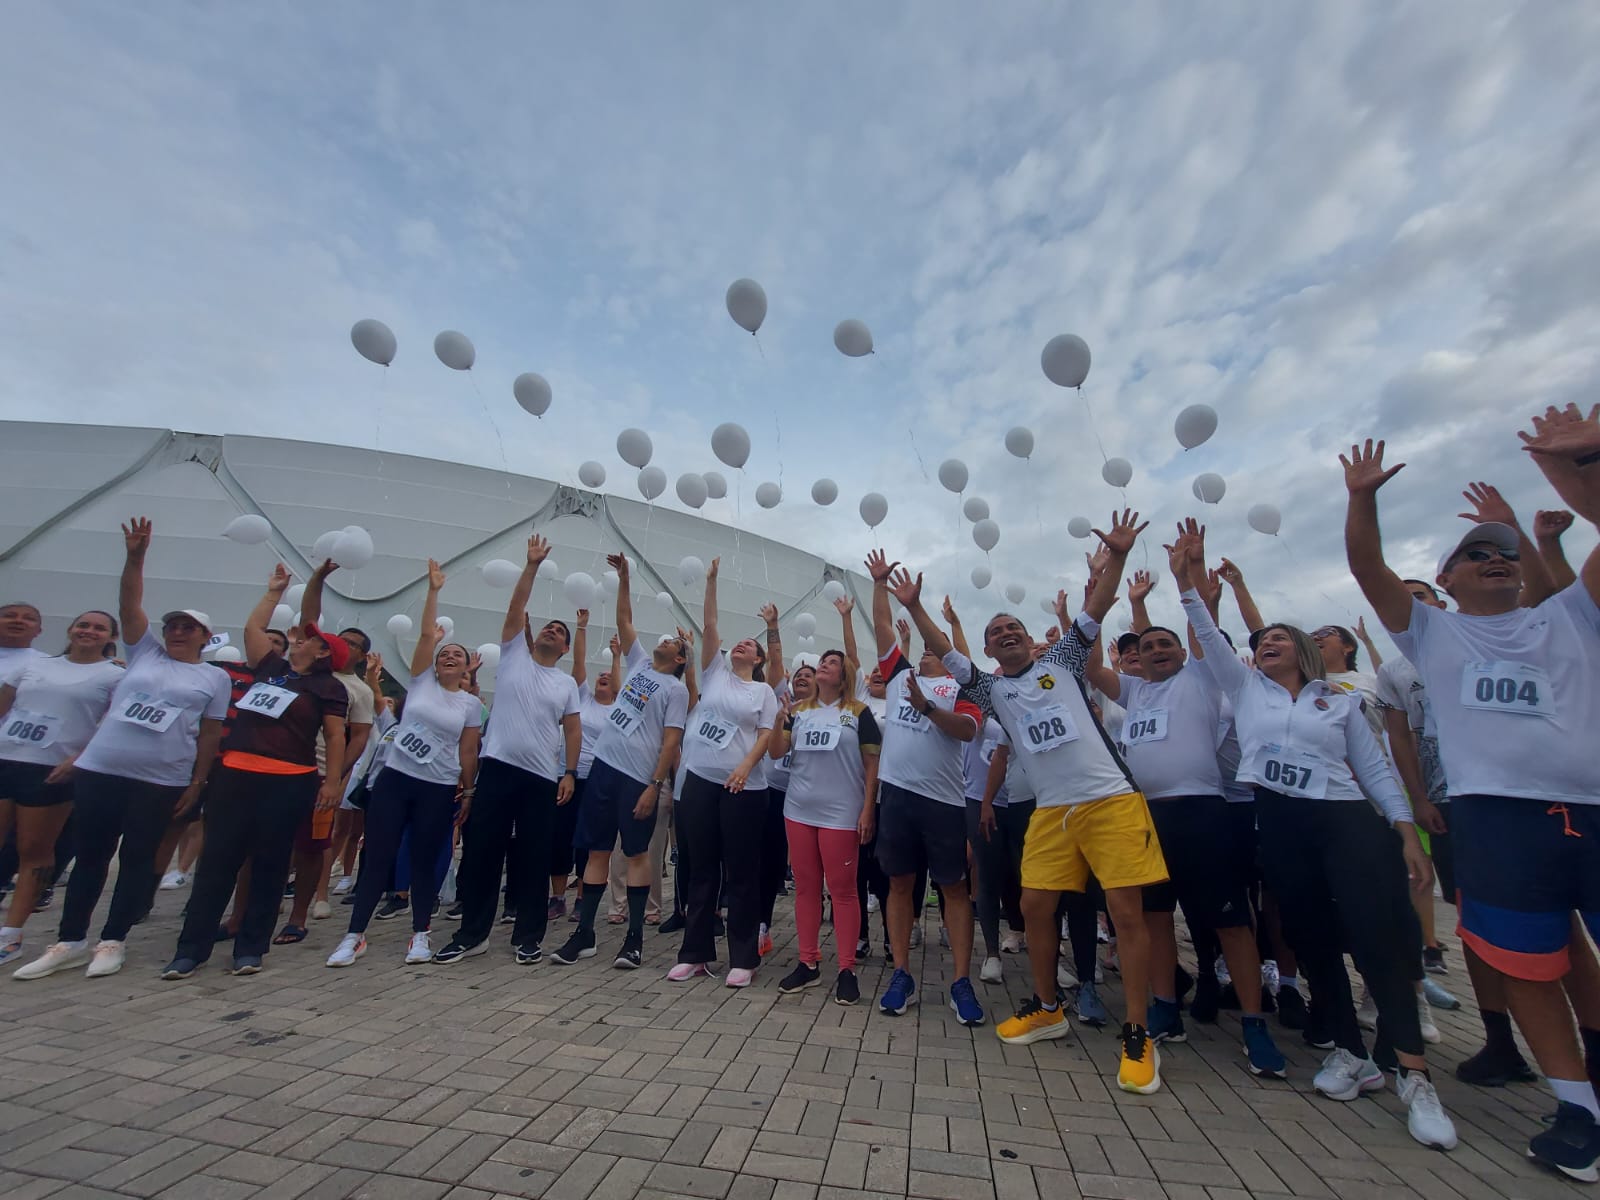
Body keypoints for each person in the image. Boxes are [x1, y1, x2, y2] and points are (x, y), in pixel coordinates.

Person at [1344, 416, 1600, 1178]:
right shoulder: (1432, 636)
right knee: (1528, 967)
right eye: (1475, 554)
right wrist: (1363, 500)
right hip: (1495, 816)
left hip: (1589, 808)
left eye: (1506, 554)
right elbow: (1368, 569)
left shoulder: (1573, 614)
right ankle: (1577, 1107)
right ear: (1446, 582)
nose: (1495, 560)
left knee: (1582, 957)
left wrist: (1576, 468)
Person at [1167, 517, 1455, 1148]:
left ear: (1299, 649)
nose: (1265, 643)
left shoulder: (1338, 701)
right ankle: (1349, 1050)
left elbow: (1376, 769)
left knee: (1377, 939)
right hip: (1282, 824)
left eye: (1276, 638)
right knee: (1310, 937)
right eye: (1260, 639)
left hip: (1348, 822)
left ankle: (1412, 1073)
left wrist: (1404, 831)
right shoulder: (1245, 689)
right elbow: (1210, 637)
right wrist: (1187, 577)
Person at [899, 510, 1168, 1093]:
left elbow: (1095, 609)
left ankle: (1138, 1032)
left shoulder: (1064, 662)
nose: (1004, 634)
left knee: (1126, 914)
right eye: (994, 633)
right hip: (1052, 811)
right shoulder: (991, 690)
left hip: (1110, 801)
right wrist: (917, 606)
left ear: (1028, 636)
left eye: (1012, 627)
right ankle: (1047, 1007)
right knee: (1035, 905)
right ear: (990, 651)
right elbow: (942, 649)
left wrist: (1117, 556)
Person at [14, 518, 230, 981]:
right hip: (102, 770)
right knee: (91, 855)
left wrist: (197, 782)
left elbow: (210, 734)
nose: (176, 631)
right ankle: (69, 940)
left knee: (137, 858)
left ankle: (114, 939)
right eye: (172, 624)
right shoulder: (145, 653)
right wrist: (135, 557)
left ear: (205, 638)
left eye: (188, 628)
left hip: (161, 778)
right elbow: (128, 604)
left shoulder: (215, 678)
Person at [1085, 609, 1288, 1078]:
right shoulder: (1134, 690)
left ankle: (1254, 1024)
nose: (1155, 651)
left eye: (1164, 644)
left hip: (1201, 811)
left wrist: (1198, 592)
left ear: (1182, 651)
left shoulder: (1201, 678)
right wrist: (1094, 600)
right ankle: (1165, 1007)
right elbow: (1094, 669)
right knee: (1155, 918)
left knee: (1231, 922)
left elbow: (1208, 636)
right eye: (1147, 646)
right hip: (1145, 816)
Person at [162, 564, 350, 978]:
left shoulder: (328, 688)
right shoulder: (271, 669)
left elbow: (335, 738)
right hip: (234, 775)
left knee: (269, 864)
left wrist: (332, 781)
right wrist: (274, 593)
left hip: (289, 782)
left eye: (307, 640)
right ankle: (190, 950)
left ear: (322, 653)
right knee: (218, 861)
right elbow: (253, 627)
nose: (297, 639)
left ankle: (251, 947)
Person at [435, 533, 580, 965]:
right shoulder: (514, 654)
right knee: (482, 851)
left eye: (561, 631)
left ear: (567, 649)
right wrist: (532, 565)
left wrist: (568, 772)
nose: (553, 630)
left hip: (540, 779)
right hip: (496, 769)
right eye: (549, 626)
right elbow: (516, 610)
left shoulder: (567, 683)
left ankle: (528, 936)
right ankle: (471, 933)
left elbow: (572, 731)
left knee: (533, 858)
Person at [328, 559, 481, 968]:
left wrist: (468, 791)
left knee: (423, 859)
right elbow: (427, 635)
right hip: (396, 779)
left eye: (457, 655)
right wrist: (433, 591)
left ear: (467, 668)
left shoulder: (470, 704)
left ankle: (420, 934)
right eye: (444, 653)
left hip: (438, 786)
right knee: (378, 854)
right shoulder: (421, 682)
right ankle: (354, 935)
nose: (449, 656)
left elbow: (468, 750)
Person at [865, 550, 984, 1027]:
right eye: (924, 649)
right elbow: (881, 629)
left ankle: (959, 981)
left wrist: (929, 708)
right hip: (897, 795)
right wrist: (878, 584)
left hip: (945, 802)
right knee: (899, 883)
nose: (928, 652)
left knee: (954, 888)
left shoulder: (963, 688)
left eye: (938, 649)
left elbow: (968, 733)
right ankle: (901, 974)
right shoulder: (898, 676)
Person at [557, 553, 688, 971]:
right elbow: (624, 620)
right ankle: (586, 934)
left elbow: (671, 742)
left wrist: (654, 785)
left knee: (636, 855)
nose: (663, 640)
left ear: (681, 658)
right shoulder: (639, 665)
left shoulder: (676, 690)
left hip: (638, 779)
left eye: (673, 641)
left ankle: (634, 940)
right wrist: (625, 577)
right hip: (603, 772)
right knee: (596, 851)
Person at [669, 558, 778, 987]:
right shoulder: (714, 673)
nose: (740, 646)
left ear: (760, 658)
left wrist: (745, 767)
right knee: (701, 868)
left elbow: (767, 734)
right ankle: (694, 953)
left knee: (742, 871)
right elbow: (710, 625)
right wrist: (712, 580)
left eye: (750, 646)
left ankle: (744, 958)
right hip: (700, 781)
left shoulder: (762, 691)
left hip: (745, 790)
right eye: (738, 643)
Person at [0, 612, 123, 964]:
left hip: (52, 770)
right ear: (70, 630)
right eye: (83, 624)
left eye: (99, 627)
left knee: (32, 850)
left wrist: (79, 759)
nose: (88, 631)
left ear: (110, 637)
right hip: (6, 757)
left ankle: (11, 935)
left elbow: (113, 725)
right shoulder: (31, 666)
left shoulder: (115, 676)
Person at [771, 648, 880, 1004]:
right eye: (823, 661)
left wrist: (867, 810)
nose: (823, 665)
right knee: (806, 888)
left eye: (832, 663)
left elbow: (871, 766)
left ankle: (847, 968)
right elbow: (775, 753)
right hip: (799, 811)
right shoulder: (798, 712)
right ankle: (808, 962)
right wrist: (778, 720)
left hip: (841, 814)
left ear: (844, 675)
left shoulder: (859, 713)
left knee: (843, 891)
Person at [278, 560, 374, 939]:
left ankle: (310, 902)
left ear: (361, 655)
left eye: (354, 645)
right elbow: (309, 618)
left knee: (315, 844)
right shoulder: (304, 671)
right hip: (281, 767)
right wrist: (317, 579)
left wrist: (337, 776)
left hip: (320, 775)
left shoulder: (359, 690)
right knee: (272, 842)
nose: (344, 646)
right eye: (342, 640)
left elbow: (358, 736)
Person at [0, 603, 44, 683]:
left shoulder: (47, 664)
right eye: (9, 616)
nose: (18, 621)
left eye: (29, 618)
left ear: (38, 631)